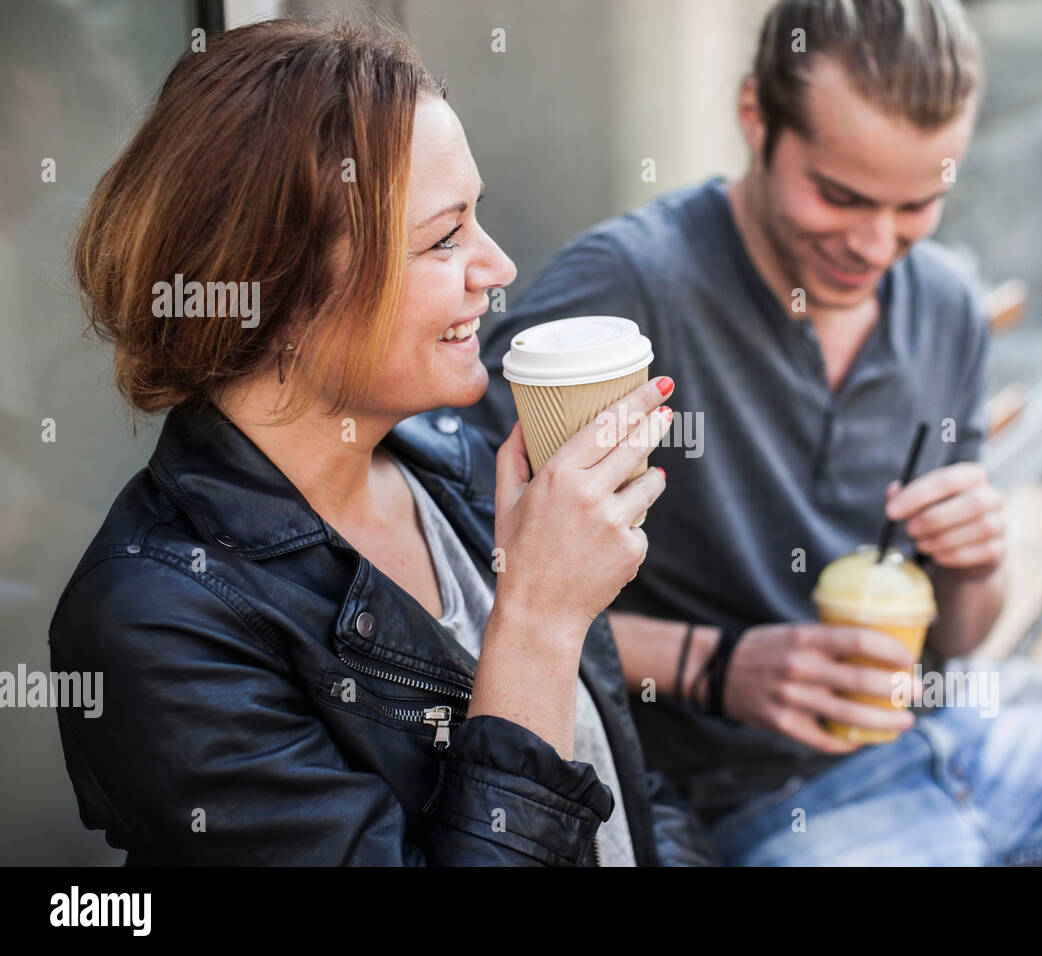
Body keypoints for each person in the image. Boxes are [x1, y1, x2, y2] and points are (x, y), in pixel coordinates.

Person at [462, 0, 1042, 865]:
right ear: (755, 117)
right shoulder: (628, 287)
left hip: (979, 731)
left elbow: (963, 632)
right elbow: (470, 590)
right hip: (770, 807)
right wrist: (711, 666)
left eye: (917, 205)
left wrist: (975, 563)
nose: (874, 246)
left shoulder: (943, 305)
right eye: (840, 195)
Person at [50, 14, 712, 867]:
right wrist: (539, 621)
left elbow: (626, 788)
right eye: (445, 237)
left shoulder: (461, 461)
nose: (500, 266)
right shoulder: (157, 627)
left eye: (479, 218)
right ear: (278, 290)